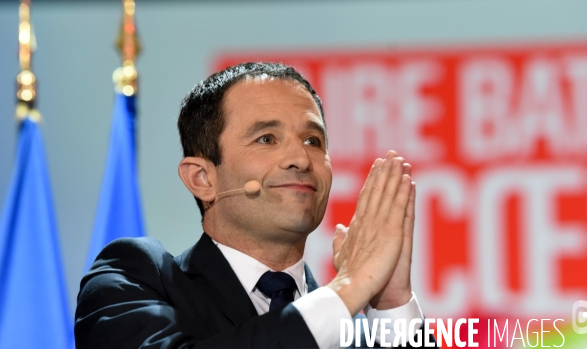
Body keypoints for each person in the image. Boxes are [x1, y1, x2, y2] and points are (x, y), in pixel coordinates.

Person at [75, 62, 435, 348]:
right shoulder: (131, 279)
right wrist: (351, 286)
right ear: (203, 178)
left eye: (313, 140)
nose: (300, 158)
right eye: (267, 138)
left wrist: (390, 301)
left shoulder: (357, 329)